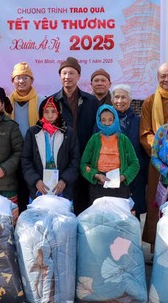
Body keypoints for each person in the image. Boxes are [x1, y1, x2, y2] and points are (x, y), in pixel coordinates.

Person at [139, 62, 168, 243]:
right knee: (156, 201)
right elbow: (145, 133)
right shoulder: (150, 101)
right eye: (163, 76)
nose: (166, 79)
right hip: (158, 163)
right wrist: (163, 153)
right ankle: (157, 247)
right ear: (158, 78)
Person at [50, 56, 99, 213]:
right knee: (61, 204)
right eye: (64, 73)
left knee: (83, 202)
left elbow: (95, 131)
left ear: (78, 76)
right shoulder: (52, 102)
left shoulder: (91, 101)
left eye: (71, 73)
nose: (67, 77)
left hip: (85, 157)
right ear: (59, 76)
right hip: (61, 159)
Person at [21, 96, 79, 202]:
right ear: (41, 113)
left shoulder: (68, 132)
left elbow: (75, 160)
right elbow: (26, 160)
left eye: (53, 111)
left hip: (63, 189)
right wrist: (36, 181)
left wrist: (64, 180)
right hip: (39, 188)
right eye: (46, 112)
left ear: (59, 112)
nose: (50, 115)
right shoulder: (33, 132)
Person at [80, 104, 139, 204]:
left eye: (110, 119)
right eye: (103, 120)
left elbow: (134, 164)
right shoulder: (94, 139)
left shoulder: (123, 139)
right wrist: (96, 175)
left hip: (120, 184)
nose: (107, 123)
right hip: (98, 185)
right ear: (99, 120)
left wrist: (122, 177)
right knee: (99, 217)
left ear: (115, 120)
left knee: (118, 217)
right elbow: (84, 165)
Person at [111, 84, 148, 218]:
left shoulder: (139, 121)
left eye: (123, 97)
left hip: (135, 177)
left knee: (132, 217)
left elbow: (144, 148)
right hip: (111, 175)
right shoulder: (105, 121)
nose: (120, 101)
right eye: (117, 97)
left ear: (130, 99)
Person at [8, 62, 39, 138]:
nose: (21, 81)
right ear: (12, 81)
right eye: (18, 78)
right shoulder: (6, 102)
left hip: (35, 145)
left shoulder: (41, 102)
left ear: (32, 81)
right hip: (12, 147)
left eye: (25, 78)